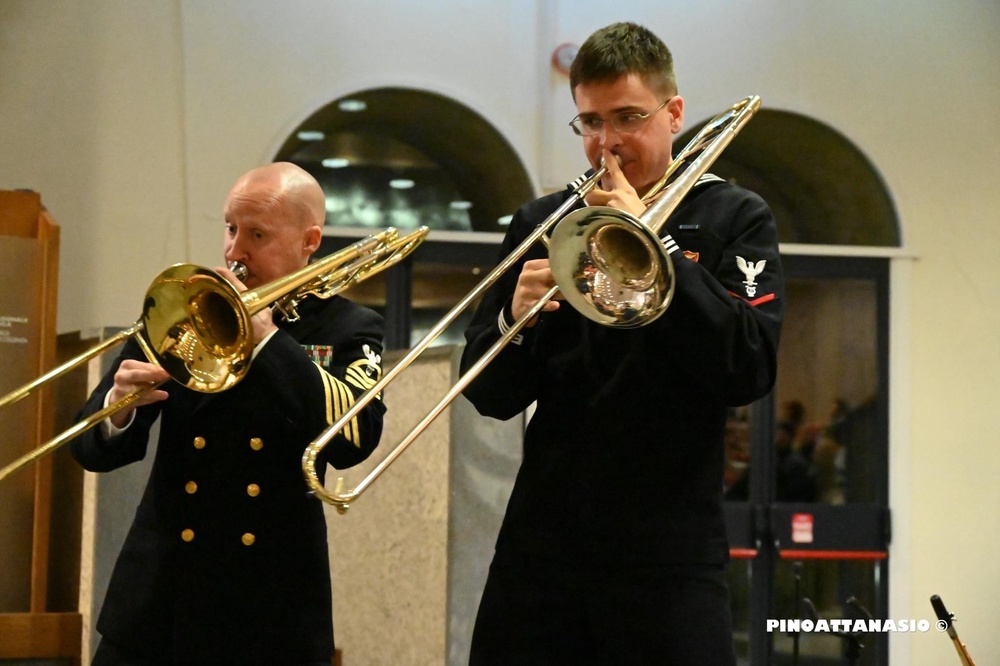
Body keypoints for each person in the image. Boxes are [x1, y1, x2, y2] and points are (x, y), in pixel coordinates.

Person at [461, 22, 784, 664]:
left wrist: (650, 242)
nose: (606, 141)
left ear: (674, 114)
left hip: (668, 556)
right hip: (543, 551)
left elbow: (749, 363)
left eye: (627, 117)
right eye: (588, 122)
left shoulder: (736, 218)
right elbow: (489, 395)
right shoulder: (542, 222)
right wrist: (514, 323)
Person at [70, 162, 386, 665]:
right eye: (230, 228)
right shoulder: (192, 304)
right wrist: (117, 407)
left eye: (257, 234)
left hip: (269, 610)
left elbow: (355, 437)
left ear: (310, 240)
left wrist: (268, 341)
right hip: (160, 601)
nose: (234, 251)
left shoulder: (350, 327)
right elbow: (89, 448)